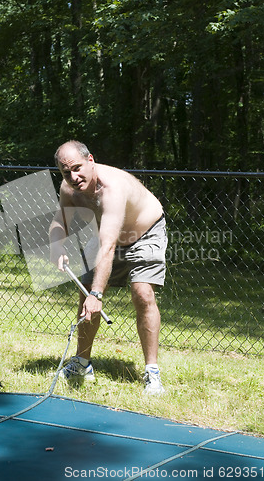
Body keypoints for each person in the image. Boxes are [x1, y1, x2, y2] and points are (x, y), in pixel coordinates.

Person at [49, 140, 168, 395]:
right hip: (104, 235)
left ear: (90, 160)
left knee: (142, 293)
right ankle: (82, 363)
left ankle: (152, 373)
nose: (73, 176)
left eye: (78, 168)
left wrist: (98, 294)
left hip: (145, 233)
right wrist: (57, 245)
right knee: (85, 293)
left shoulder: (111, 189)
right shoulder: (69, 189)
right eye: (65, 172)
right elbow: (61, 219)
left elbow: (108, 247)